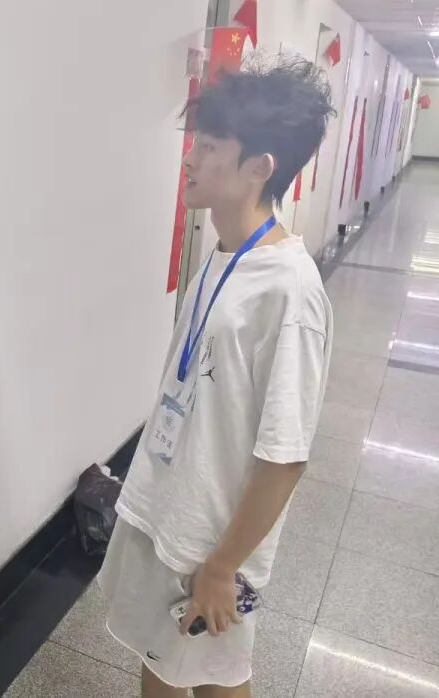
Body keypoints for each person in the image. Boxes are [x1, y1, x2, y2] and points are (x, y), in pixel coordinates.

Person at [101, 58, 335, 697]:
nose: (190, 159)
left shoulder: (290, 291)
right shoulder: (226, 254)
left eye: (208, 148)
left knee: (218, 675)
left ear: (260, 167)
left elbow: (285, 456)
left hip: (214, 539)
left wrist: (224, 566)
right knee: (165, 662)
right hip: (175, 510)